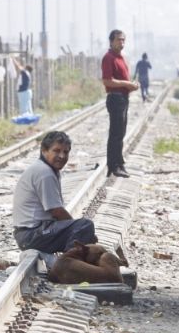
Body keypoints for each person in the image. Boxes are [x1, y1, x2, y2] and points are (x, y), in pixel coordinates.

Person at [12, 131, 97, 253]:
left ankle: (72, 262)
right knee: (84, 226)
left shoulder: (46, 168)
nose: (62, 156)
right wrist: (80, 230)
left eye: (65, 152)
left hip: (30, 234)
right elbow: (57, 212)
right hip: (31, 235)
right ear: (44, 151)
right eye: (56, 151)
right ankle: (69, 265)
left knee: (81, 230)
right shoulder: (44, 173)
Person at [101, 29, 139, 179]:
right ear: (111, 41)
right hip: (115, 98)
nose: (121, 43)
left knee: (120, 133)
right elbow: (107, 80)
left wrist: (132, 85)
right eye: (118, 40)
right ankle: (114, 165)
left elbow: (123, 79)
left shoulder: (121, 58)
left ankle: (118, 163)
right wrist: (126, 84)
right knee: (116, 134)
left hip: (123, 98)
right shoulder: (108, 58)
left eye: (123, 40)